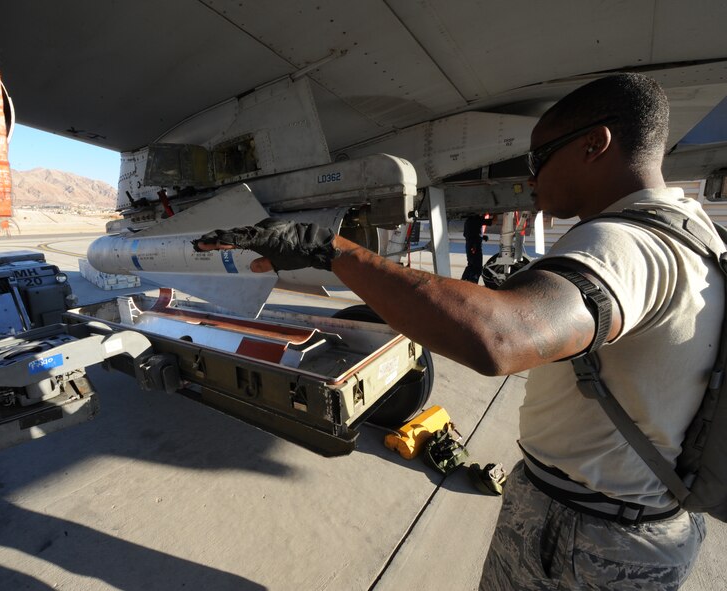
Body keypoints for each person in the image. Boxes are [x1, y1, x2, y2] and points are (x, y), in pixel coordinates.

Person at [195, 73, 718, 589]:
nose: (531, 178)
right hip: (631, 518)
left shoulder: (626, 243)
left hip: (587, 540)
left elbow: (503, 338)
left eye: (539, 159)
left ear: (594, 144)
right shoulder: (694, 232)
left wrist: (330, 251)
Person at [460, 213, 491, 283]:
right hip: (472, 247)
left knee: (474, 267)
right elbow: (493, 221)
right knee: (473, 266)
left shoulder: (471, 221)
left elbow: (468, 235)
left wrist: (481, 237)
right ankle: (465, 281)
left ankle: (469, 282)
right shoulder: (471, 221)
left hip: (472, 247)